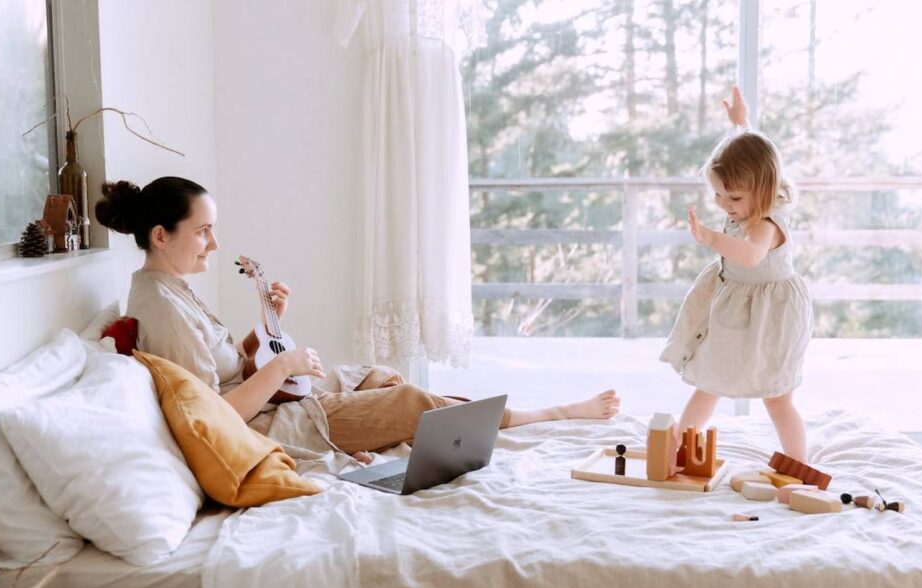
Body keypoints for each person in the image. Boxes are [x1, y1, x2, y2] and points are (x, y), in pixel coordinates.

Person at [95, 177, 620, 464]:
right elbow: (216, 415)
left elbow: (227, 365)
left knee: (382, 377)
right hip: (268, 425)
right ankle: (546, 414)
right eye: (204, 231)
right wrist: (283, 368)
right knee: (411, 401)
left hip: (272, 402)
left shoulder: (170, 288)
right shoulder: (161, 304)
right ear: (161, 235)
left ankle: (416, 434)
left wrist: (266, 329)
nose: (216, 243)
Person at [659, 86, 813, 462]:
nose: (725, 206)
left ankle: (799, 462)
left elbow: (750, 255)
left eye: (734, 199)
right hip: (736, 311)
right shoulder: (749, 199)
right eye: (718, 196)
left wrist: (710, 238)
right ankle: (681, 446)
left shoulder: (766, 224)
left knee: (777, 397)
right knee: (708, 380)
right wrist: (741, 124)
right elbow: (757, 153)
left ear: (764, 189)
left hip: (771, 318)